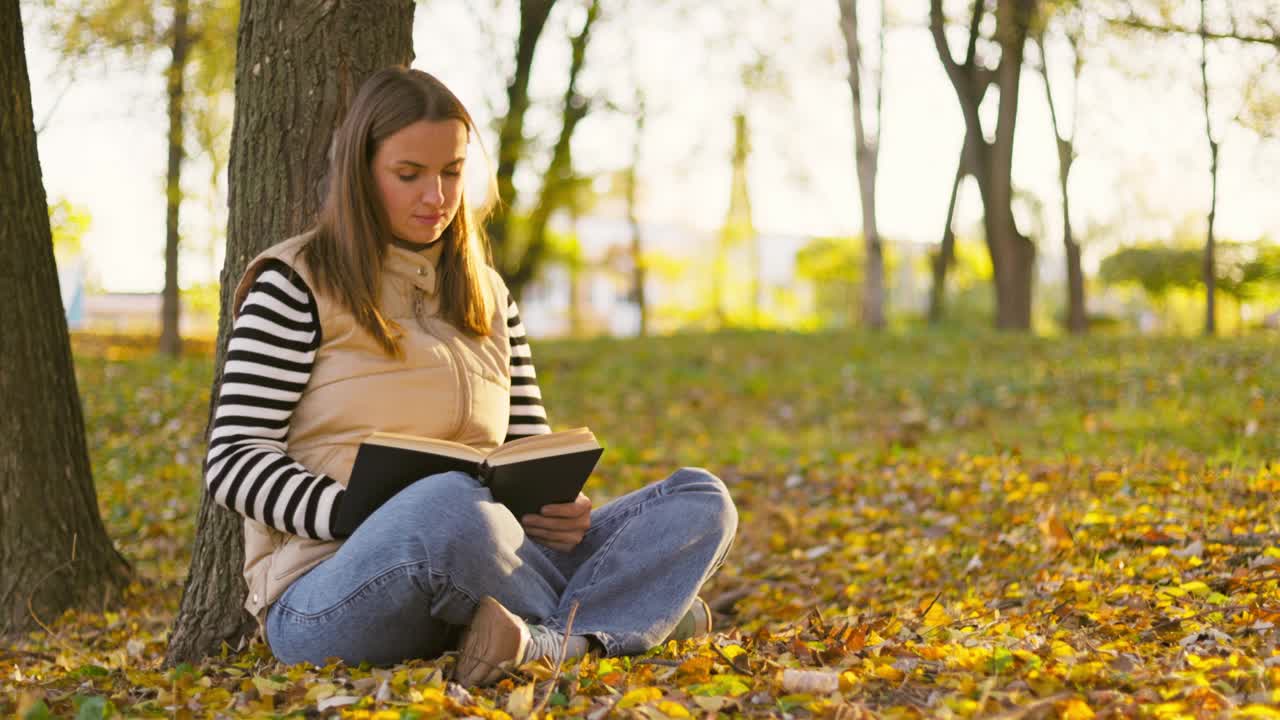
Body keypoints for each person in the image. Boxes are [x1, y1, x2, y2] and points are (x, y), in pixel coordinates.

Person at [204, 66, 737, 685]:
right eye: (409, 175)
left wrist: (558, 511)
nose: (436, 196)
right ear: (360, 172)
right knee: (446, 504)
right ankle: (641, 620)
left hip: (491, 562)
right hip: (329, 591)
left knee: (699, 500)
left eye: (452, 172)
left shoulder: (488, 293)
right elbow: (234, 460)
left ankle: (549, 641)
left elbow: (530, 451)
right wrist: (352, 512)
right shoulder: (294, 283)